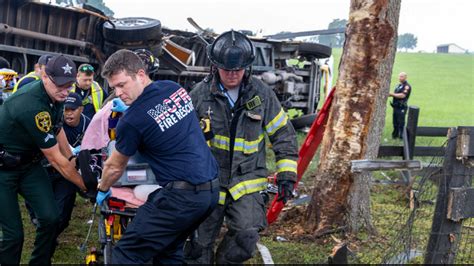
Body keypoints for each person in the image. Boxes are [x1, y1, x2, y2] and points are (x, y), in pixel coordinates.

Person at [95, 49, 219, 264]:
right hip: (210, 191)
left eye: (122, 85)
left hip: (180, 198)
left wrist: (103, 189)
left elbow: (114, 167)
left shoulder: (131, 121)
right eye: (113, 87)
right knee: (168, 251)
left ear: (141, 75)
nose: (117, 93)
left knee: (125, 254)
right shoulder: (175, 89)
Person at [185, 30, 299, 264]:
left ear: (247, 67)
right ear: (215, 66)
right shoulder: (200, 95)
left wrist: (288, 174)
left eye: (238, 69)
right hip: (208, 182)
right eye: (227, 69)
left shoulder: (262, 94)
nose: (232, 74)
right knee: (197, 245)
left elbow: (283, 134)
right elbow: (182, 139)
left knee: (245, 238)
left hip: (246, 182)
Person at [0, 55, 89, 264]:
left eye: (69, 86)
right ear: (45, 76)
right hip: (3, 169)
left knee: (50, 218)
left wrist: (72, 158)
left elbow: (58, 131)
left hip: (29, 164)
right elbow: (55, 159)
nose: (65, 91)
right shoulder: (32, 105)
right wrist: (83, 184)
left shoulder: (56, 96)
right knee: (14, 235)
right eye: (60, 85)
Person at [389, 72, 412, 139]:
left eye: (402, 76)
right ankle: (395, 136)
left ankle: (402, 136)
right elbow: (396, 94)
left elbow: (403, 95)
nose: (400, 78)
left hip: (401, 107)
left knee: (401, 122)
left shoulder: (407, 86)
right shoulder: (398, 85)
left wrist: (392, 94)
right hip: (395, 106)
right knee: (395, 122)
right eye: (399, 76)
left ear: (405, 77)